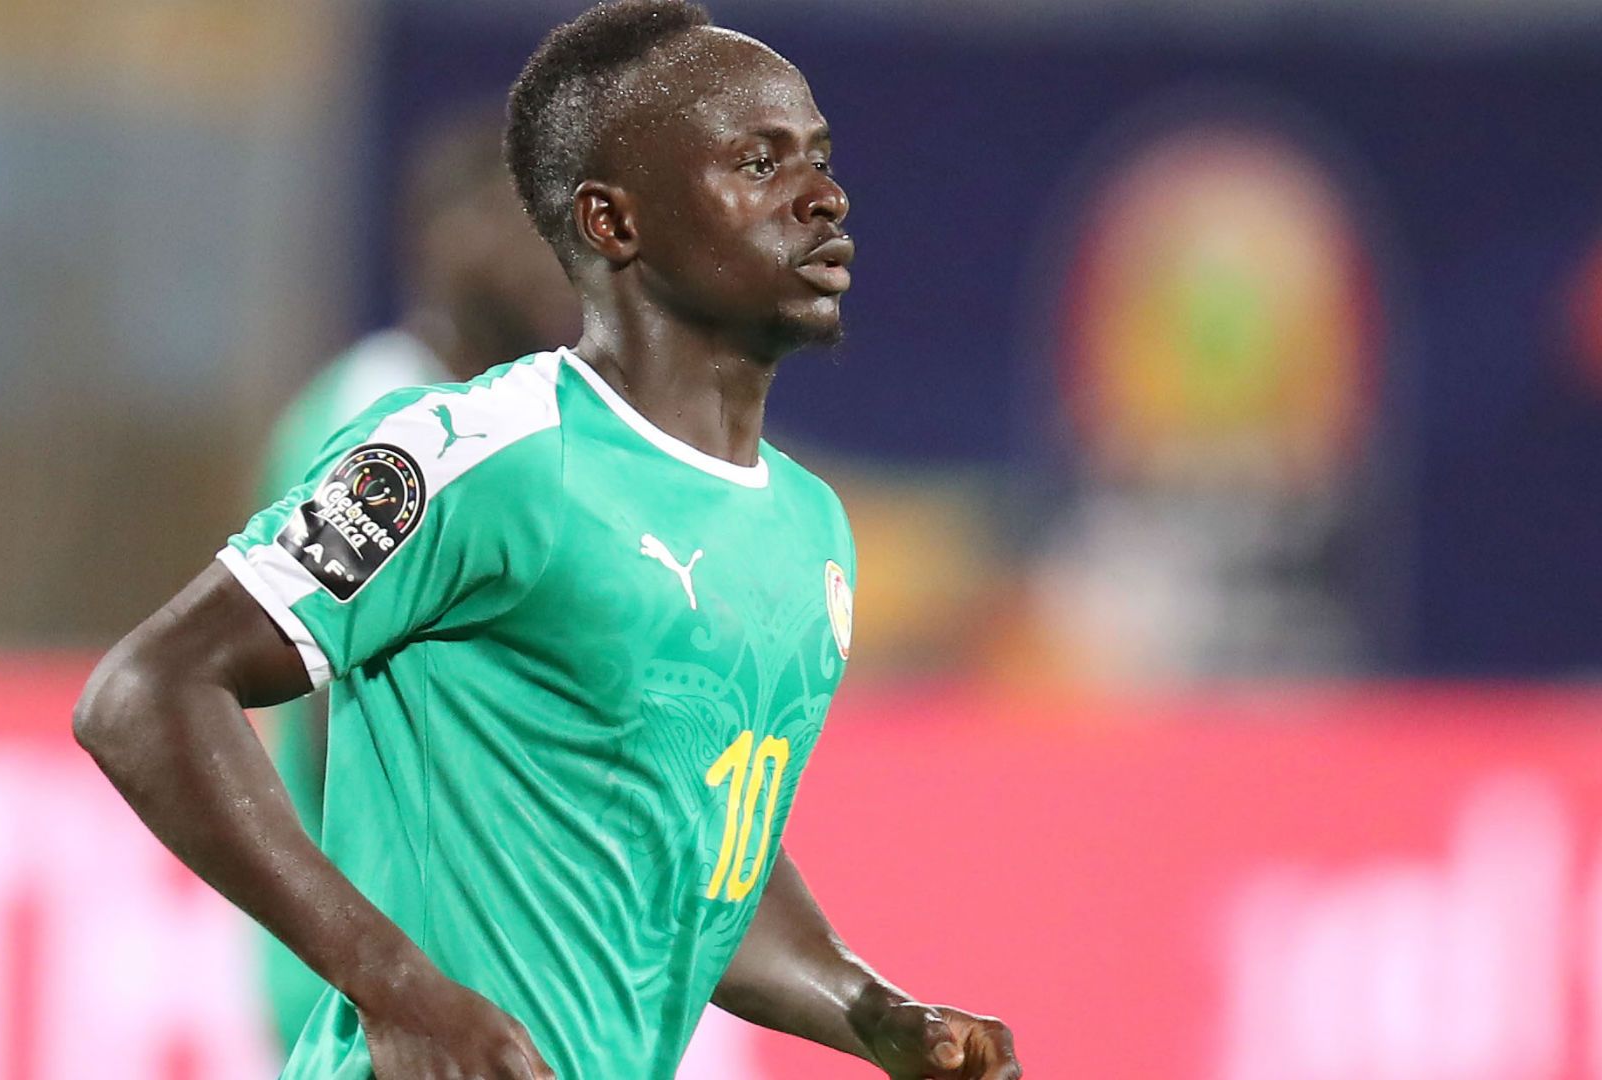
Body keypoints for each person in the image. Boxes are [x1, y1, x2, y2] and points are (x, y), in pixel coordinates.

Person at [73, 3, 1022, 1078]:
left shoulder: (811, 530)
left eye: (819, 159)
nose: (823, 198)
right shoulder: (475, 457)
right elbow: (144, 692)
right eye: (760, 164)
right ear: (615, 224)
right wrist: (398, 988)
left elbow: (702, 856)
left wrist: (871, 1009)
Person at [250, 109, 578, 1054]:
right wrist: (382, 939)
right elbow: (313, 676)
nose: (560, 263)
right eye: (533, 230)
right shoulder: (376, 420)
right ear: (452, 235)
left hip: (477, 949)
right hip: (375, 955)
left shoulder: (515, 421)